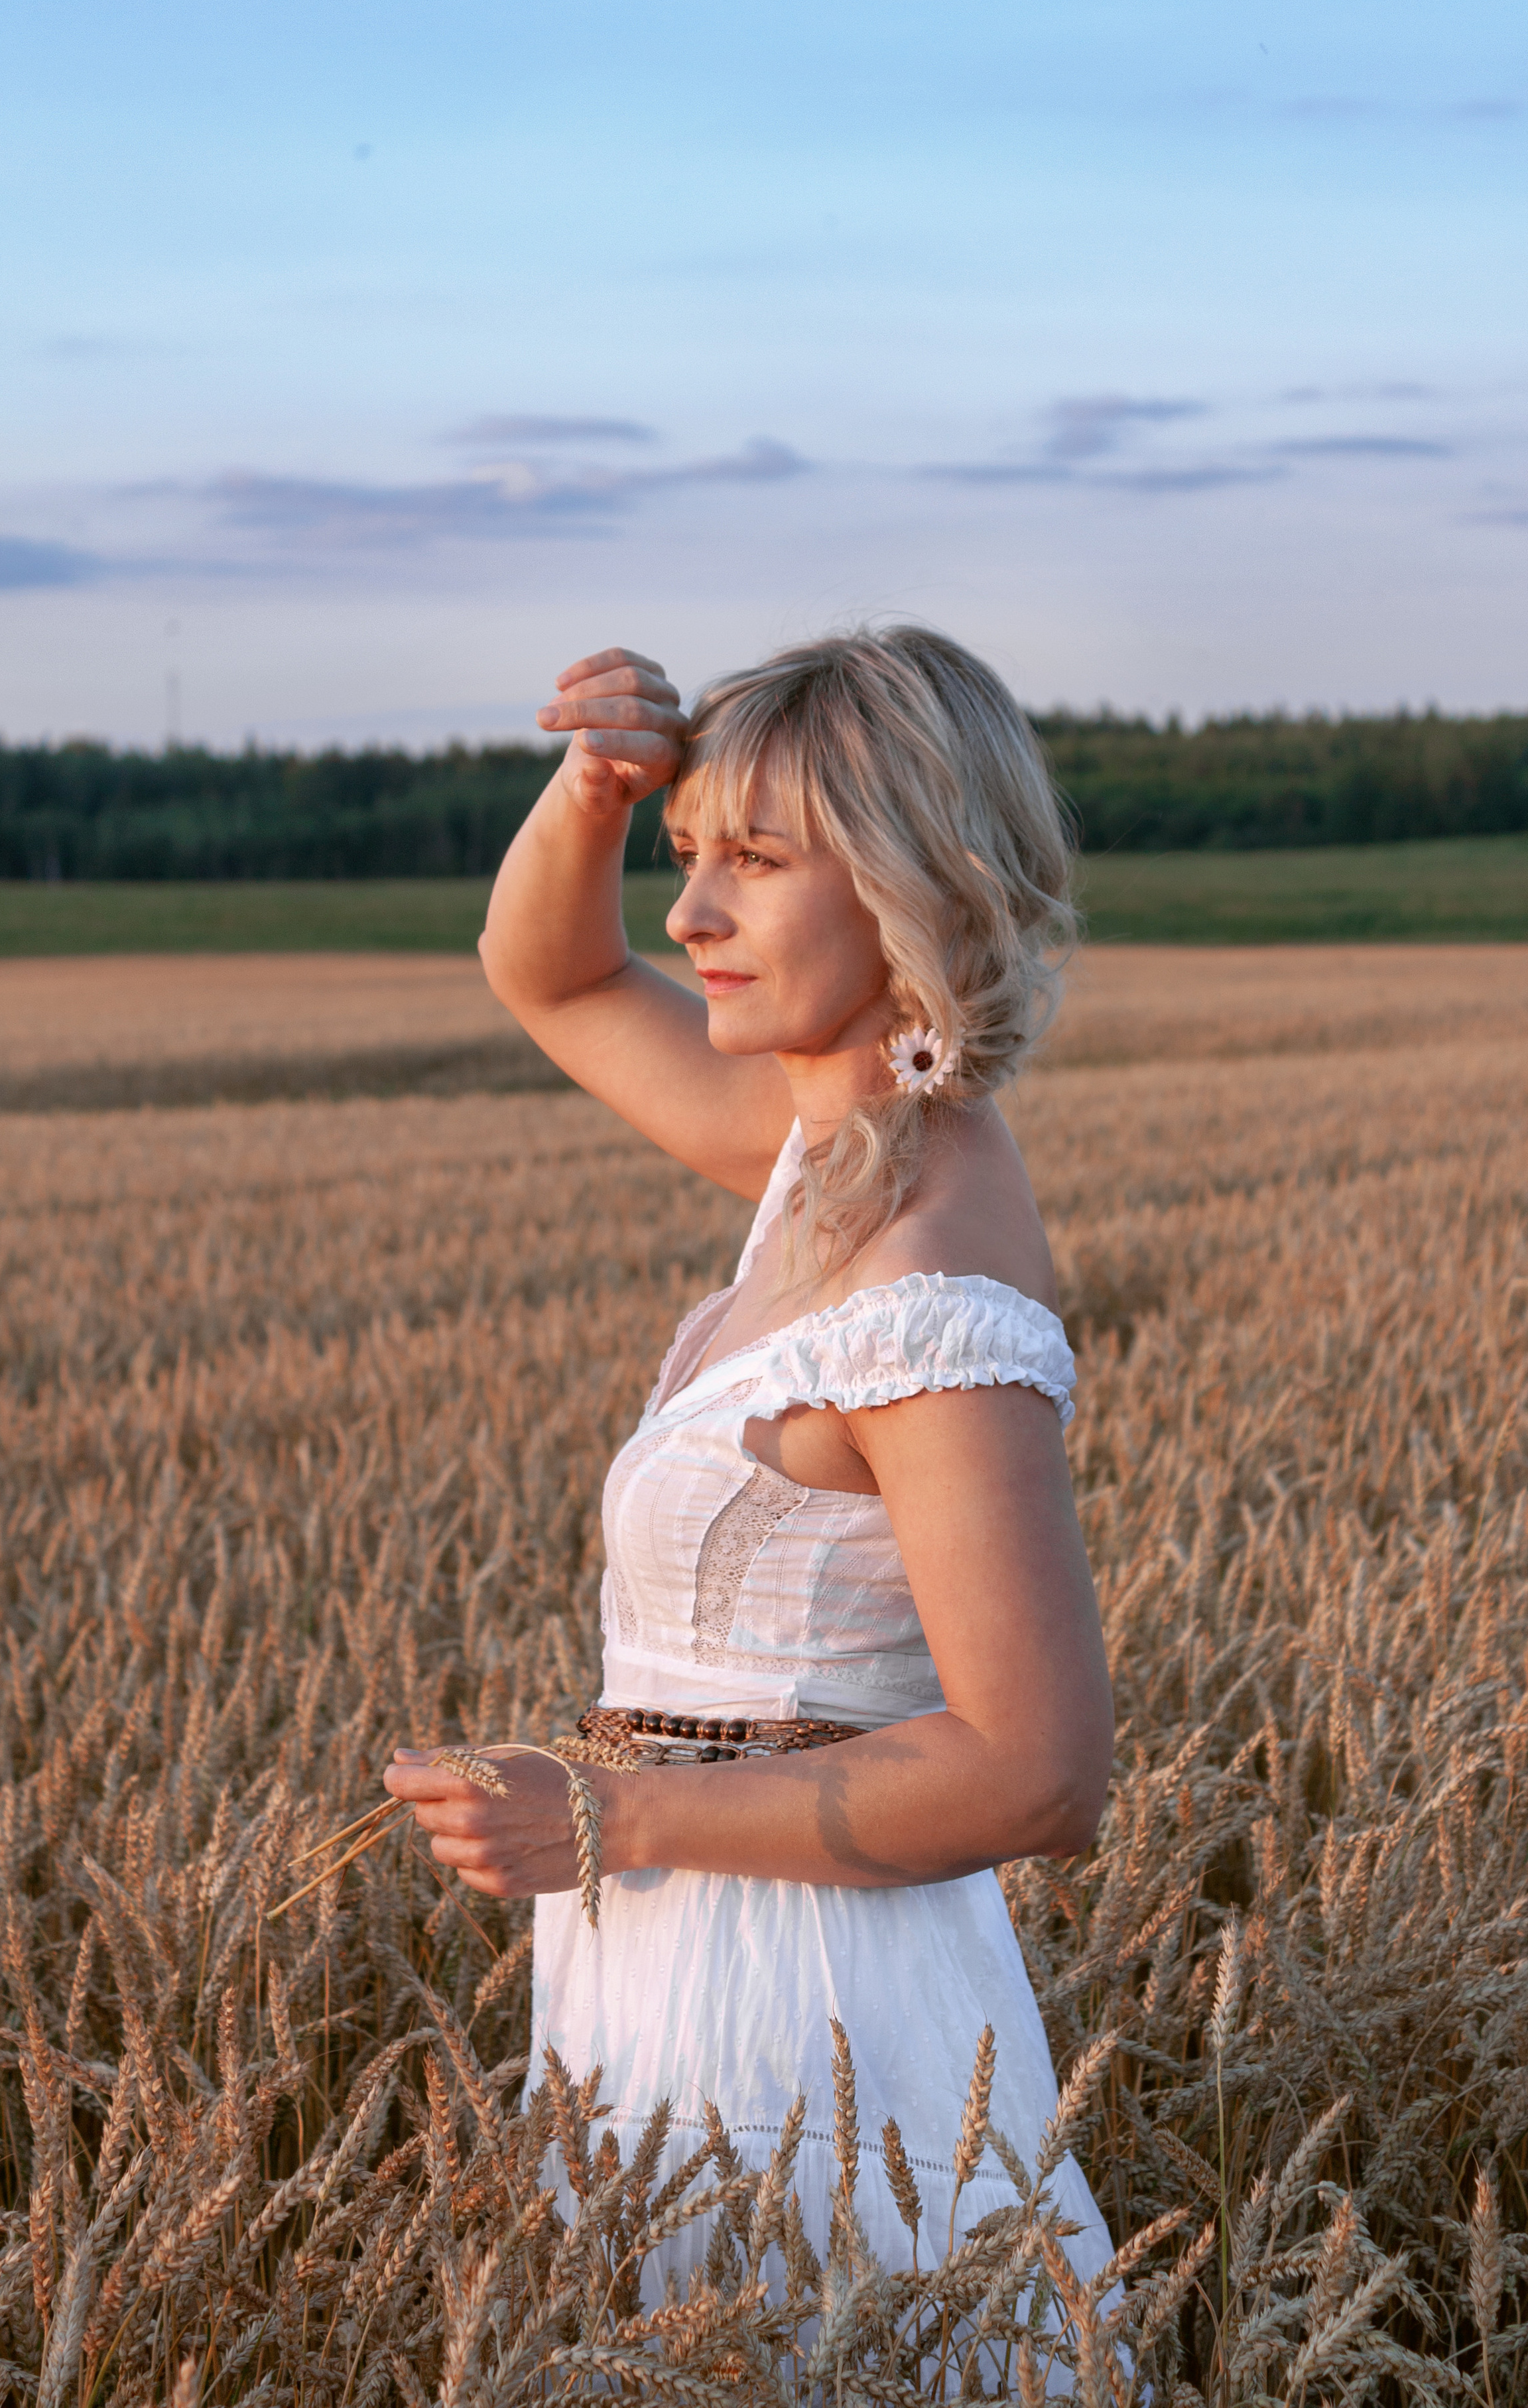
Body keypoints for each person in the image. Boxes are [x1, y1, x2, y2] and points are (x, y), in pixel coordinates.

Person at [383, 627, 1119, 2332]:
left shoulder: (926, 1283)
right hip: (673, 1964)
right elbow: (548, 976)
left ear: (914, 887)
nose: (687, 916)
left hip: (813, 2009)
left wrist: (612, 1811)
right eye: (685, 856)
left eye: (755, 863)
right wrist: (594, 784)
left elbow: (1037, 1774)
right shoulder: (822, 1167)